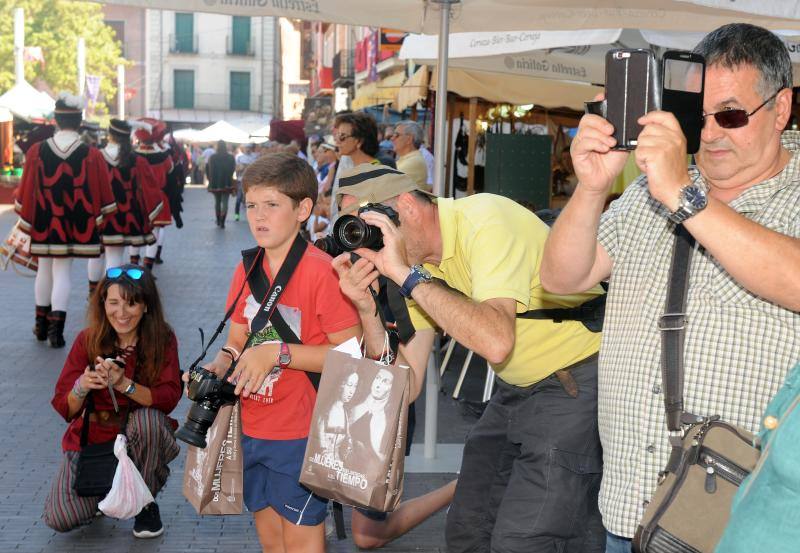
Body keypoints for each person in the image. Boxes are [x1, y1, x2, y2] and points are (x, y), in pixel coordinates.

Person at [540, 24, 800, 553]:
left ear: (781, 108)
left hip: (744, 523)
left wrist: (684, 195)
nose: (707, 135)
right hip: (631, 510)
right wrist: (591, 188)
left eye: (730, 114)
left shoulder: (687, 187)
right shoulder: (646, 192)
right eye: (694, 115)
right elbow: (560, 279)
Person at [331, 164, 605, 552]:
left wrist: (408, 277)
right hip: (519, 387)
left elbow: (496, 341)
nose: (369, 246)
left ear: (407, 207)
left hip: (577, 380)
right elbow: (403, 387)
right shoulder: (417, 266)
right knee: (467, 528)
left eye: (371, 228)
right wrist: (367, 310)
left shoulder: (485, 220)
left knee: (524, 539)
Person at [197, 152, 361, 553]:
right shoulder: (247, 267)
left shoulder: (323, 272)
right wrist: (220, 363)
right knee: (271, 541)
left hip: (302, 432)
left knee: (303, 543)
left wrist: (278, 353)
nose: (258, 216)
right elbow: (236, 338)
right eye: (252, 205)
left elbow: (350, 355)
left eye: (272, 205)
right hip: (252, 426)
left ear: (303, 208)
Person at [43, 264, 182, 537]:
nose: (121, 313)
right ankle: (107, 493)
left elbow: (168, 398)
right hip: (93, 441)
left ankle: (144, 504)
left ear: (146, 306)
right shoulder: (87, 340)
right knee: (59, 518)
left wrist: (123, 384)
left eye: (131, 304)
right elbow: (64, 406)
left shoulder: (161, 339)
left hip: (137, 438)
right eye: (114, 302)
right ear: (102, 302)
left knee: (149, 423)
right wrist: (81, 387)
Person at [14, 93, 115, 348]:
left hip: (44, 222)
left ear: (56, 121)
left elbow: (25, 191)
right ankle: (56, 332)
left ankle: (40, 325)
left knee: (44, 269)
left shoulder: (37, 151)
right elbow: (105, 196)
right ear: (79, 122)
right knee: (63, 272)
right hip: (75, 224)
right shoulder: (91, 154)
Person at [87, 119, 164, 292]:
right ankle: (109, 293)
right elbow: (151, 189)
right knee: (115, 255)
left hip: (99, 215)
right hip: (125, 216)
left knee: (96, 254)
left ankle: (93, 294)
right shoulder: (137, 160)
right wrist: (150, 214)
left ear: (110, 135)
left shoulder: (95, 157)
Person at [131, 118, 174, 272]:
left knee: (135, 230)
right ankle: (147, 268)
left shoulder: (131, 155)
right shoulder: (164, 156)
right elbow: (170, 172)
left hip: (136, 197)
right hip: (157, 197)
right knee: (155, 230)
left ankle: (133, 266)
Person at [329, 112, 381, 221]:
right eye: (337, 135)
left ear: (359, 141)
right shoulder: (350, 166)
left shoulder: (374, 170)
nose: (337, 141)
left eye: (342, 136)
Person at [318, 371, 359, 464]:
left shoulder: (345, 413)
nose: (352, 391)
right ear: (341, 384)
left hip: (338, 466)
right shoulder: (325, 410)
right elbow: (318, 443)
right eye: (349, 384)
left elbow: (349, 442)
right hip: (319, 466)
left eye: (355, 386)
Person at [393, 120, 430, 191]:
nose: (392, 138)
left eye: (396, 135)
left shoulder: (414, 161)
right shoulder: (409, 158)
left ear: (409, 139)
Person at [207, 140, 236, 228]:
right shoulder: (231, 157)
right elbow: (233, 169)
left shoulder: (213, 157)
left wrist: (210, 180)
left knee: (217, 202)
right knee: (225, 202)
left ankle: (218, 219)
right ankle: (223, 221)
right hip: (227, 182)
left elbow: (209, 170)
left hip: (215, 182)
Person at [234, 143, 259, 221]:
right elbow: (236, 169)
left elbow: (256, 169)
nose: (248, 149)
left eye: (249, 148)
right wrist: (241, 168)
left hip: (251, 181)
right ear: (244, 149)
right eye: (246, 148)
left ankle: (253, 216)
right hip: (241, 180)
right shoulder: (239, 157)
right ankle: (236, 215)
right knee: (239, 198)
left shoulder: (254, 157)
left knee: (252, 200)